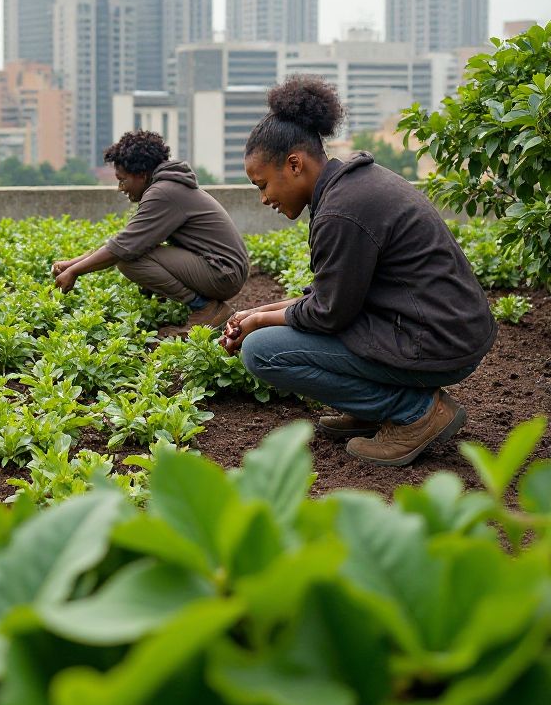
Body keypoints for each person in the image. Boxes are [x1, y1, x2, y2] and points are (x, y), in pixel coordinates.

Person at [222, 76, 496, 466]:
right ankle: (376, 410)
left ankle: (413, 412)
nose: (264, 198)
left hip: (437, 341)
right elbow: (330, 296)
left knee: (262, 351)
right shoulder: (352, 186)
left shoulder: (341, 210)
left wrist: (259, 324)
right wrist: (256, 313)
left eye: (263, 184)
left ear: (294, 164)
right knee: (268, 332)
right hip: (442, 329)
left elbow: (328, 313)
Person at [52, 130, 248, 325]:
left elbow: (122, 248)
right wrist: (73, 264)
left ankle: (206, 309)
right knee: (132, 251)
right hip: (223, 269)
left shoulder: (163, 192)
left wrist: (74, 272)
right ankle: (203, 307)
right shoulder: (167, 187)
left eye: (122, 180)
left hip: (223, 273)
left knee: (129, 260)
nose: (120, 188)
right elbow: (125, 241)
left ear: (142, 175)